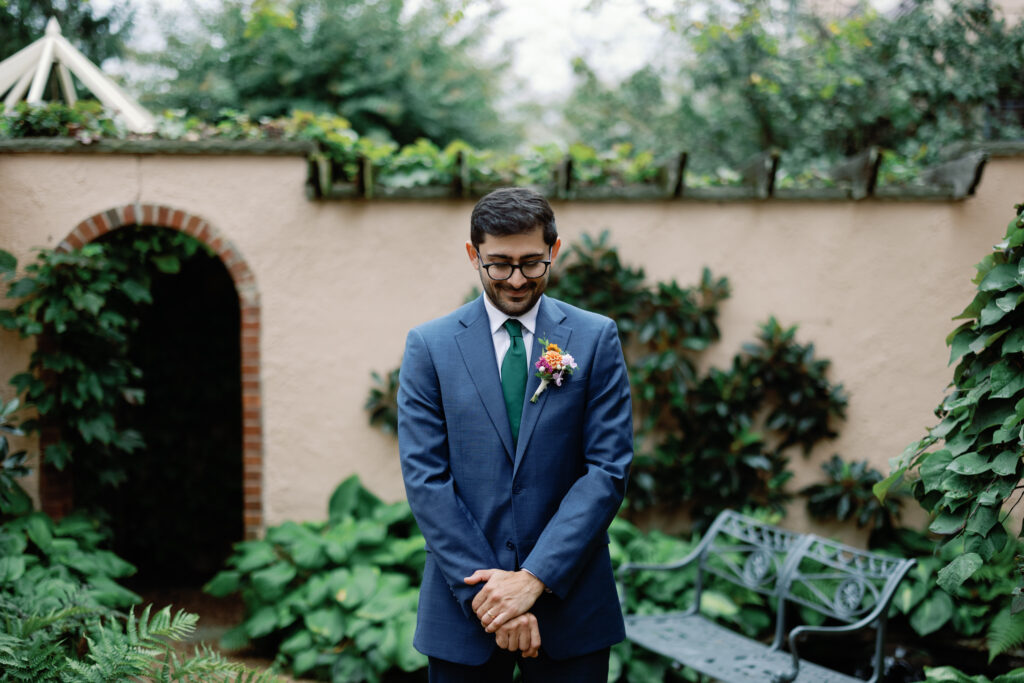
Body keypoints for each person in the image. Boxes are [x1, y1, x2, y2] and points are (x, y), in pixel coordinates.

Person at [397, 187, 634, 682]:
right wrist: (495, 600)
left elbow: (607, 470)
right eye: (499, 264)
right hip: (464, 610)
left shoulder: (595, 338)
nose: (517, 279)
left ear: (554, 250)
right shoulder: (430, 346)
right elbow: (426, 480)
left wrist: (534, 578)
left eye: (532, 263)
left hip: (573, 608)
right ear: (473, 254)